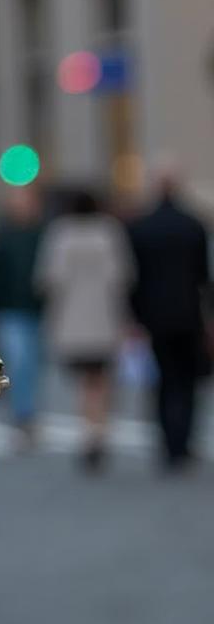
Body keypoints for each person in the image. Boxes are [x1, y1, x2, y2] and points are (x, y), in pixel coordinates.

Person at [33, 185, 137, 470]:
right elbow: (123, 276)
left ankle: (87, 432)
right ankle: (99, 430)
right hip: (104, 316)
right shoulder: (109, 232)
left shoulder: (61, 234)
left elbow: (49, 279)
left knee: (83, 380)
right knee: (101, 378)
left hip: (71, 319)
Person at [125, 155, 212, 469]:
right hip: (189, 313)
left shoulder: (141, 227)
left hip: (153, 315)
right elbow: (204, 276)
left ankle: (167, 442)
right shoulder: (194, 225)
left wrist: (134, 316)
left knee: (162, 379)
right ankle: (183, 442)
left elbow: (132, 277)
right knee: (187, 381)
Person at [0, 181, 47, 446]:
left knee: (33, 364)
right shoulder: (2, 233)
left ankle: (27, 411)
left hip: (37, 308)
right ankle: (23, 414)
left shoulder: (43, 232)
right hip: (9, 308)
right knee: (19, 361)